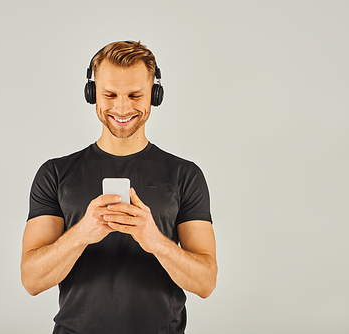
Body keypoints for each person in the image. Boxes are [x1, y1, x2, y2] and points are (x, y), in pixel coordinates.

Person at [21, 41, 217, 334]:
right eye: (109, 94)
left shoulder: (185, 175)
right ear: (92, 94)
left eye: (135, 95)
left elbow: (206, 283)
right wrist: (81, 234)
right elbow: (31, 280)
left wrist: (156, 241)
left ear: (155, 94)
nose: (122, 107)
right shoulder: (55, 174)